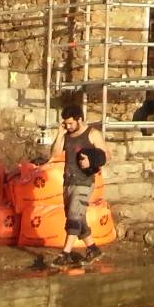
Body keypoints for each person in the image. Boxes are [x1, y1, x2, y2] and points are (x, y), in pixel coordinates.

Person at [49, 104, 108, 267]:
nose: (68, 126)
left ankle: (65, 254)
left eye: (71, 123)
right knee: (77, 217)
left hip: (84, 182)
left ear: (79, 120)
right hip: (68, 181)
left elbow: (106, 155)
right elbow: (54, 154)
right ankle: (93, 249)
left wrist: (91, 161)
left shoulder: (93, 134)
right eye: (65, 123)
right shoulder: (66, 135)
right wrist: (60, 134)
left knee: (74, 217)